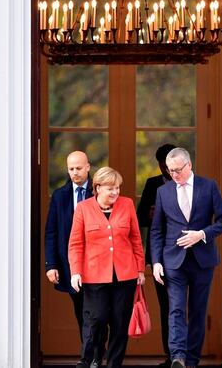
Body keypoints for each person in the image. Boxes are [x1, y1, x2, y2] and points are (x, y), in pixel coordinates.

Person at [150, 148, 222, 368]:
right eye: (170, 170)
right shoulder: (163, 191)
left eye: (178, 170)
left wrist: (201, 234)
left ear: (189, 165)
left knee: (197, 310)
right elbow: (156, 230)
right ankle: (178, 357)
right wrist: (156, 262)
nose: (174, 174)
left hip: (203, 260)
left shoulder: (209, 186)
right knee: (176, 309)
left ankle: (192, 360)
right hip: (173, 261)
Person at [68, 166, 146, 368]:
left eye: (117, 188)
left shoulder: (127, 204)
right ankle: (95, 356)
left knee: (120, 323)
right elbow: (75, 244)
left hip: (125, 275)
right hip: (94, 275)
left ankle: (113, 364)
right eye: (110, 188)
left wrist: (140, 269)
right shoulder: (83, 208)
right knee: (98, 319)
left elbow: (136, 239)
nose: (115, 192)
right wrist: (75, 272)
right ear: (97, 188)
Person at [44, 151, 104, 368]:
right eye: (71, 169)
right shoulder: (60, 195)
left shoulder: (99, 191)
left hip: (98, 263)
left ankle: (94, 356)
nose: (75, 172)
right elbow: (51, 232)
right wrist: (51, 264)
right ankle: (91, 355)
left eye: (79, 168)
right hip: (70, 265)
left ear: (88, 167)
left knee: (97, 313)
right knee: (82, 312)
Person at [137, 143, 177, 368]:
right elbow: (139, 218)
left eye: (168, 165)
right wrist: (149, 213)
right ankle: (171, 356)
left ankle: (183, 354)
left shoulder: (188, 182)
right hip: (159, 255)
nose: (166, 170)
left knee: (181, 306)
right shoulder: (152, 184)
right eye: (162, 166)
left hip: (184, 253)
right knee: (166, 305)